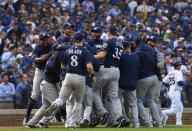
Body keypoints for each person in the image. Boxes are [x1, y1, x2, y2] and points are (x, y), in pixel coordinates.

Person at [45, 32, 94, 129]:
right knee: (78, 102)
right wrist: (92, 74)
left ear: (74, 40)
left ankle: (55, 104)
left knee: (62, 99)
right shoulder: (85, 51)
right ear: (82, 40)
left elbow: (62, 66)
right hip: (80, 78)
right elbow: (89, 66)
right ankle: (72, 123)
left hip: (68, 76)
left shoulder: (68, 51)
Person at [94, 25, 126, 127]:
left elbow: (102, 56)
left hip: (106, 69)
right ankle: (119, 116)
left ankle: (103, 112)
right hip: (116, 70)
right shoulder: (120, 43)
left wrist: (90, 56)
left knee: (93, 90)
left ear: (109, 33)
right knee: (114, 97)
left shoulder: (108, 41)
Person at [26, 44, 60, 128]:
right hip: (48, 85)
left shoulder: (53, 59)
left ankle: (31, 123)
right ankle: (43, 121)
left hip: (45, 85)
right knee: (57, 105)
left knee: (45, 106)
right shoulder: (53, 61)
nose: (59, 52)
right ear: (53, 51)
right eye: (57, 50)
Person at [23, 35, 52, 125]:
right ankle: (27, 117)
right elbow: (34, 59)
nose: (46, 41)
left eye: (47, 39)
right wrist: (41, 58)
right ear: (40, 40)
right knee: (35, 94)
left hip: (50, 72)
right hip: (40, 71)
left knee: (48, 98)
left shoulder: (52, 47)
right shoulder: (38, 48)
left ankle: (44, 120)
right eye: (44, 40)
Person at [134, 38, 162, 127]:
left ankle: (146, 122)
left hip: (144, 77)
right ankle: (158, 122)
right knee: (151, 100)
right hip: (155, 77)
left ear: (136, 44)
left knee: (137, 100)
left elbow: (135, 65)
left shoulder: (137, 52)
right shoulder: (152, 50)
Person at [118, 41, 140, 128]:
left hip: (121, 83)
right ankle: (136, 124)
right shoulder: (136, 57)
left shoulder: (121, 56)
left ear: (123, 47)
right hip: (132, 84)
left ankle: (124, 119)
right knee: (133, 104)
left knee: (117, 102)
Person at [162, 61, 184, 126]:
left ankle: (179, 123)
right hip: (175, 92)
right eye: (179, 65)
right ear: (178, 66)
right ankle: (161, 114)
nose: (180, 66)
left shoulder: (170, 72)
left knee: (178, 108)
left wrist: (171, 86)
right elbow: (179, 82)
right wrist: (184, 84)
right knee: (177, 109)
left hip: (171, 91)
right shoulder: (178, 72)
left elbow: (164, 82)